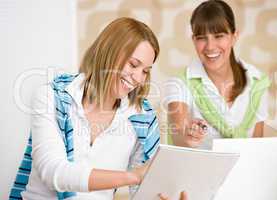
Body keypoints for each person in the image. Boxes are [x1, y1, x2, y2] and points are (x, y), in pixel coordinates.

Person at [9, 17, 163, 200]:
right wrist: (133, 177)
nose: (138, 78)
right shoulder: (52, 96)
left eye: (145, 71)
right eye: (133, 64)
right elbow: (52, 172)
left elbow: (145, 190)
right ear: (109, 53)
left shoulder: (141, 117)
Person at [165, 0, 271, 149]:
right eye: (201, 38)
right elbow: (178, 135)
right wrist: (188, 136)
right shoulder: (179, 83)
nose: (210, 47)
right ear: (194, 40)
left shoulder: (257, 81)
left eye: (219, 36)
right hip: (199, 171)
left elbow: (257, 146)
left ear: (234, 36)